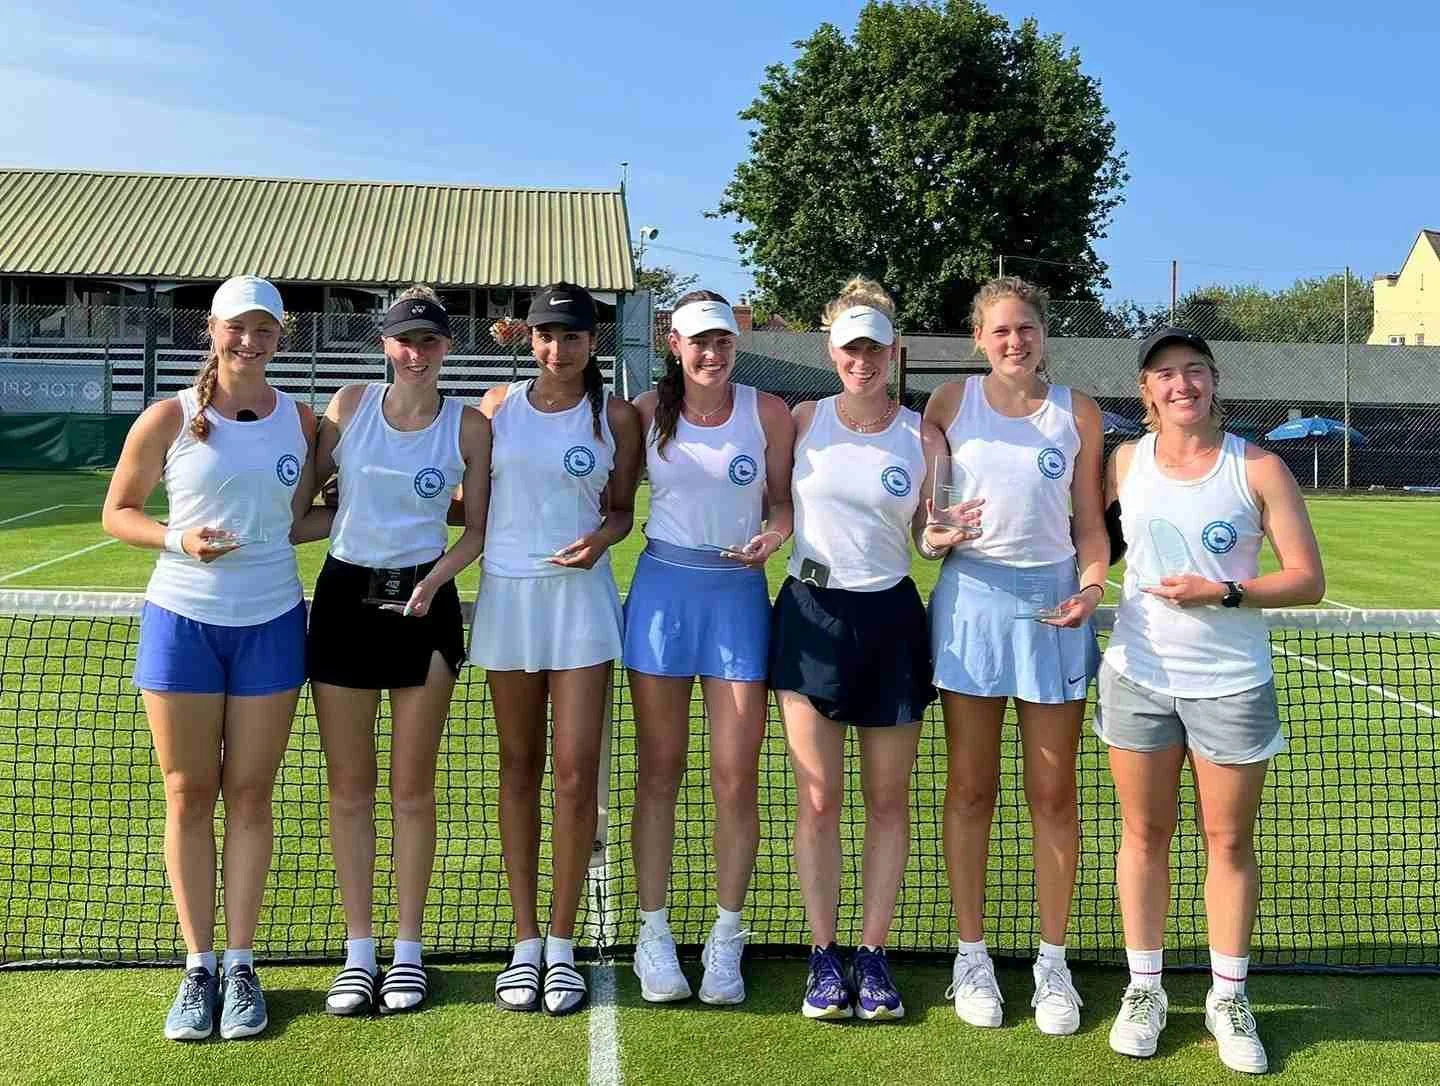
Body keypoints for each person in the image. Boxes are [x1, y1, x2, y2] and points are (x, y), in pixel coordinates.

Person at [1100, 327, 1324, 1074]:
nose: (1181, 385)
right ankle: (1145, 990)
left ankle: (1229, 998)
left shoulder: (1258, 467)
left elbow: (1305, 579)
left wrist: (1222, 592)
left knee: (1228, 843)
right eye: (1165, 374)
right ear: (1146, 390)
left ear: (1214, 380)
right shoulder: (1124, 461)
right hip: (1137, 675)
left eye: (1194, 371)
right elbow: (1095, 547)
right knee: (1143, 835)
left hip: (1231, 683)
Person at [102, 276, 314, 1041]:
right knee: (190, 792)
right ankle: (198, 969)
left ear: (279, 336)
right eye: (236, 329)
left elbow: (300, 521)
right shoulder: (168, 417)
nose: (249, 343)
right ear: (212, 331)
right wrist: (178, 539)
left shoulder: (302, 419)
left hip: (272, 625)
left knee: (251, 795)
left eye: (263, 330)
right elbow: (117, 511)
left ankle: (243, 963)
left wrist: (407, 513)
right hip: (182, 623)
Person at [770, 277, 976, 1022]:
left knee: (888, 804)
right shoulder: (800, 419)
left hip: (891, 619)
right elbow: (775, 503)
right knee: (818, 800)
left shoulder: (923, 435)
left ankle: (873, 954)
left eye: (875, 348)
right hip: (808, 614)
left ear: (895, 353)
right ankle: (824, 957)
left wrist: (940, 537)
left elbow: (928, 531)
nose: (862, 359)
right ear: (832, 351)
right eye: (850, 346)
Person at [922, 276, 1107, 1035]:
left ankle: (1052, 965)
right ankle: (973, 956)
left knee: (1053, 794)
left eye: (1025, 328)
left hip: (1056, 608)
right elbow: (928, 523)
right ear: (978, 338)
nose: (1014, 342)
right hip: (971, 606)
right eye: (999, 331)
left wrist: (1093, 585)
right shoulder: (947, 407)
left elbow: (1090, 524)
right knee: (971, 789)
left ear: (1043, 333)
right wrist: (933, 537)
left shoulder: (1079, 413)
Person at [306, 287, 490, 1016]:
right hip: (344, 600)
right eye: (404, 340)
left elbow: (474, 531)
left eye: (431, 342)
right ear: (385, 344)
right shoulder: (347, 408)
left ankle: (408, 951)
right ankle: (359, 953)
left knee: (413, 790)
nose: (417, 354)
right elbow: (303, 506)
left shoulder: (469, 427)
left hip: (425, 603)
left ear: (448, 348)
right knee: (349, 789)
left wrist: (433, 580)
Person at [473, 283, 642, 1016]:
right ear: (527, 338)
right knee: (519, 770)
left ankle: (565, 945)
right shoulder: (493, 409)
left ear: (591, 343)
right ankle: (525, 941)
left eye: (571, 337)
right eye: (546, 335)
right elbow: (466, 499)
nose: (558, 349)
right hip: (508, 598)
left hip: (581, 605)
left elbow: (622, 512)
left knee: (576, 778)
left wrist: (599, 541)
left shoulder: (617, 417)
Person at [624, 291, 795, 1005]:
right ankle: (653, 934)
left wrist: (775, 535)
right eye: (699, 341)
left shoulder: (769, 412)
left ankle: (728, 937)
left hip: (737, 602)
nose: (712, 353)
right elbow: (601, 496)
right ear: (674, 344)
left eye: (722, 341)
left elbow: (783, 502)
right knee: (659, 772)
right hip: (663, 593)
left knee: (735, 778)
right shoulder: (640, 412)